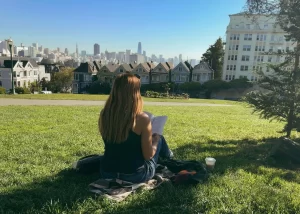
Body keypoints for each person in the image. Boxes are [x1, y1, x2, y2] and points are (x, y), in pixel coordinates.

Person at [98, 73, 173, 183]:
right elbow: (148, 156)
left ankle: (168, 154)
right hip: (135, 175)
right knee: (159, 138)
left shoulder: (105, 114)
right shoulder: (142, 118)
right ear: (135, 93)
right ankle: (169, 156)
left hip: (107, 173)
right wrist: (155, 141)